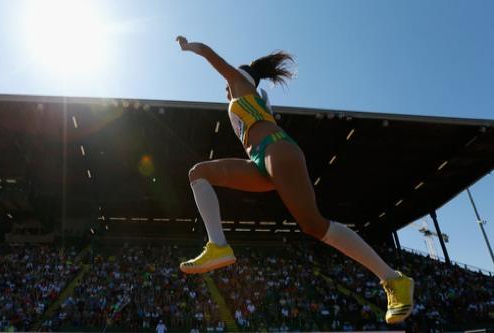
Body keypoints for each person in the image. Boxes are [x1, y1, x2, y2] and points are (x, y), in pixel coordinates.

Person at [175, 36, 414, 324]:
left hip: (277, 149)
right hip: (260, 162)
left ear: (240, 78)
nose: (225, 88)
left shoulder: (241, 86)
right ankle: (218, 246)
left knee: (314, 225)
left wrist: (192, 48)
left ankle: (394, 279)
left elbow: (216, 60)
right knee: (198, 173)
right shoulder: (253, 98)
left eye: (229, 82)